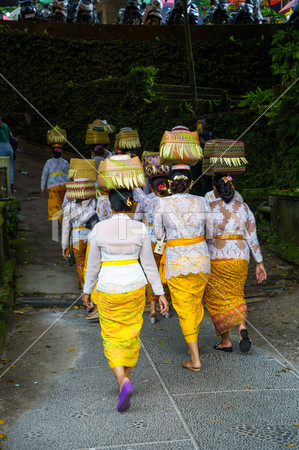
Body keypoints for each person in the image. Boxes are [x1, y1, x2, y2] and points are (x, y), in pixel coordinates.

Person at [82, 188, 169, 412]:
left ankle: (123, 381)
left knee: (111, 335)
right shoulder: (140, 228)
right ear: (130, 205)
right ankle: (125, 381)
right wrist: (160, 293)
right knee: (131, 333)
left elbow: (93, 265)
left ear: (110, 207)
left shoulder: (99, 228)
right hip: (135, 285)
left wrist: (87, 290)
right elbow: (150, 264)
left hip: (108, 286)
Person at [154, 165, 214, 372]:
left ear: (170, 185)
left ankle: (195, 358)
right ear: (190, 184)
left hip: (177, 261)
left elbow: (157, 234)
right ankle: (193, 346)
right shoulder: (202, 201)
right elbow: (211, 233)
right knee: (196, 304)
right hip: (200, 259)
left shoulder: (162, 202)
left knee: (184, 307)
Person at [204, 175, 267, 353]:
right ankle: (241, 327)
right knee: (237, 294)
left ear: (215, 190)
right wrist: (259, 263)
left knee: (216, 298)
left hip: (217, 258)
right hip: (240, 258)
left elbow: (206, 236)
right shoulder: (244, 208)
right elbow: (252, 238)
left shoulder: (210, 208)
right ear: (233, 188)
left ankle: (226, 341)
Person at [134, 177, 171, 323]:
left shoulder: (146, 200)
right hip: (168, 241)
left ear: (151, 187)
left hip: (150, 241)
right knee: (165, 272)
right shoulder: (171, 200)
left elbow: (136, 218)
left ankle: (153, 309)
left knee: (151, 272)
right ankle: (167, 306)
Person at [62, 178, 97, 291]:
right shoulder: (95, 203)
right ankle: (92, 295)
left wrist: (64, 246)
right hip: (92, 239)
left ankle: (84, 291)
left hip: (76, 241)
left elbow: (66, 228)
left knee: (80, 266)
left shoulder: (69, 206)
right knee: (92, 266)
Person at [41, 146, 70, 228]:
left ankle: (61, 225)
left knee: (56, 205)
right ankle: (62, 223)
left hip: (53, 186)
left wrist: (42, 188)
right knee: (63, 204)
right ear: (61, 153)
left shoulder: (48, 162)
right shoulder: (65, 162)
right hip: (65, 185)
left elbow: (44, 175)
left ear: (52, 153)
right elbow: (70, 174)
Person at [191, 116, 213, 197]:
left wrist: (205, 142)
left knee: (207, 181)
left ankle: (209, 199)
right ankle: (197, 198)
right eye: (198, 123)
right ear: (195, 125)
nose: (200, 125)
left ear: (205, 124)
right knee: (196, 180)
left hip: (206, 160)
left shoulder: (208, 134)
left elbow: (213, 146)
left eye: (201, 123)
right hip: (196, 160)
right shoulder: (192, 135)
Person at [0, 117, 14, 191]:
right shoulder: (5, 125)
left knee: (1, 168)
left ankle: (3, 186)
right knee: (10, 166)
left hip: (1, 147)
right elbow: (11, 136)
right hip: (9, 147)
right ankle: (11, 184)